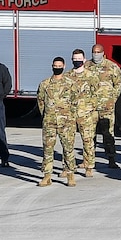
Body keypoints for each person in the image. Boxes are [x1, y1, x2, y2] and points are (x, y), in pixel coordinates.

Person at [36, 56, 80, 187]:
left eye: (59, 66)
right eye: (55, 66)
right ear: (52, 66)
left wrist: (70, 117)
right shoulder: (45, 84)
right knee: (48, 149)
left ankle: (70, 174)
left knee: (68, 149)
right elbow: (40, 102)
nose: (57, 68)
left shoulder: (70, 83)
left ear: (64, 66)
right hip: (49, 122)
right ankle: (47, 176)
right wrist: (46, 115)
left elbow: (75, 101)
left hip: (66, 123)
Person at [83, 44, 121, 172]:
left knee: (108, 134)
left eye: (98, 52)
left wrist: (112, 99)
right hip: (90, 108)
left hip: (107, 108)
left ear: (103, 53)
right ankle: (88, 161)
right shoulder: (86, 66)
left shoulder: (111, 67)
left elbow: (118, 84)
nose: (96, 54)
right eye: (94, 52)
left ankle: (111, 159)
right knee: (89, 134)